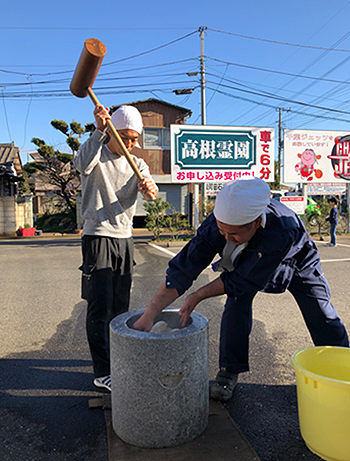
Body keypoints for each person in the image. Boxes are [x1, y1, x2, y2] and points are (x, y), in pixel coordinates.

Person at [133, 178, 348, 401]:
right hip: (252, 254)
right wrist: (149, 316)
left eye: (233, 235)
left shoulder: (281, 230)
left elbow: (240, 280)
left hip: (299, 260)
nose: (226, 238)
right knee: (236, 301)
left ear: (256, 222)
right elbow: (182, 271)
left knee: (321, 311)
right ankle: (229, 370)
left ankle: (342, 368)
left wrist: (197, 296)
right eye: (222, 232)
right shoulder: (218, 224)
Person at [74, 104, 158, 392]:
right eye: (123, 136)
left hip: (125, 238)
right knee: (100, 305)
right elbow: (80, 165)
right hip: (97, 235)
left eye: (135, 138)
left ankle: (119, 362)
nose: (130, 143)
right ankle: (102, 371)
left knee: (121, 306)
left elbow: (153, 192)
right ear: (111, 131)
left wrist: (150, 190)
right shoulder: (96, 153)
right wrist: (98, 131)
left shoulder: (139, 163)